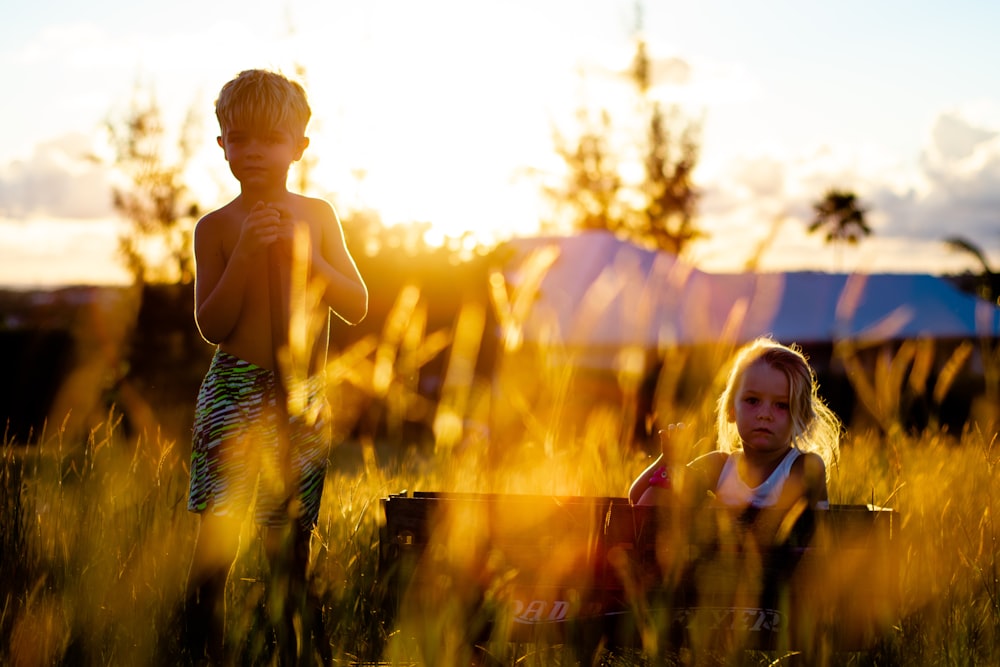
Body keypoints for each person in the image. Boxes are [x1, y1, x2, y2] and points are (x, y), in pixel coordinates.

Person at [183, 69, 368, 665]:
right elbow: (212, 324)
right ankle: (203, 648)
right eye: (238, 138)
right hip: (233, 392)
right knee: (219, 540)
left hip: (300, 397)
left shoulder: (317, 216)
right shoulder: (214, 228)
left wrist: (308, 258)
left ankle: (296, 651)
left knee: (288, 545)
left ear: (299, 147)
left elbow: (356, 303)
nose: (252, 151)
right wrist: (244, 253)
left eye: (269, 138)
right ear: (221, 146)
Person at [628, 337, 840, 512]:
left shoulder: (803, 466)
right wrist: (668, 462)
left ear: (802, 418)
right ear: (731, 410)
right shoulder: (720, 465)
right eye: (753, 401)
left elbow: (796, 531)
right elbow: (637, 498)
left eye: (781, 405)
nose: (764, 415)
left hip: (782, 563)